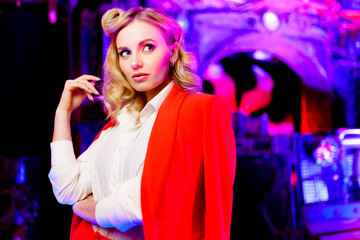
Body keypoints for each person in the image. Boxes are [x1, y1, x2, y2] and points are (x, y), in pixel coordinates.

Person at [49, 6, 236, 240]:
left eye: (148, 47)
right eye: (125, 52)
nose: (135, 62)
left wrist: (90, 209)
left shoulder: (198, 109)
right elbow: (67, 189)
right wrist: (62, 112)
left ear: (174, 52)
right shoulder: (118, 124)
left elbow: (142, 204)